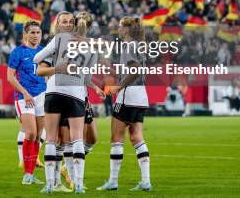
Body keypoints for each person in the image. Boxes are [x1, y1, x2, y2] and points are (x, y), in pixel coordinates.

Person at [34, 12, 97, 194]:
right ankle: (78, 184)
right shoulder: (92, 46)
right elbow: (88, 77)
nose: (68, 24)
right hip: (76, 92)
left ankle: (49, 185)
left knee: (52, 139)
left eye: (70, 22)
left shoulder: (59, 39)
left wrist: (57, 67)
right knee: (76, 138)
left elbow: (36, 59)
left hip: (54, 91)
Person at [97, 16, 152, 192]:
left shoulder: (129, 46)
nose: (118, 29)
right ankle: (145, 181)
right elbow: (131, 70)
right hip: (141, 95)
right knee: (136, 137)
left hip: (128, 95)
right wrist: (109, 67)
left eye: (120, 26)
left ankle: (113, 181)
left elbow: (134, 70)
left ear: (126, 29)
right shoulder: (136, 45)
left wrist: (119, 87)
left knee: (116, 137)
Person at [7, 21, 46, 185]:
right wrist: (25, 92)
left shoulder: (44, 52)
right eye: (32, 32)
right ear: (26, 34)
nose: (35, 35)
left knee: (38, 136)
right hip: (24, 97)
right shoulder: (18, 52)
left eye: (38, 32)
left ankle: (30, 174)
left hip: (42, 96)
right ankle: (26, 174)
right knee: (30, 132)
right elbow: (10, 76)